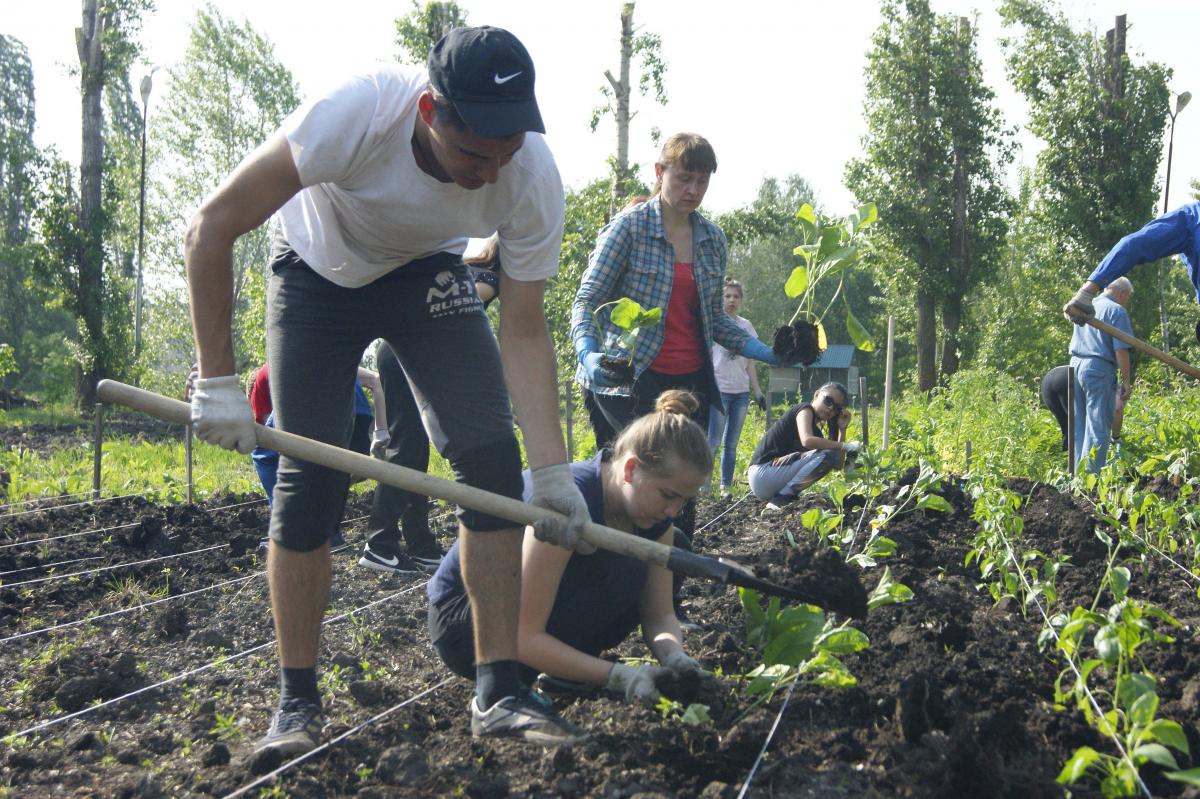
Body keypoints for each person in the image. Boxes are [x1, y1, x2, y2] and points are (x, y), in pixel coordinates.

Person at [185, 26, 590, 755]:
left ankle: (498, 688)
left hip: (423, 272)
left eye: (507, 151)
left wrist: (553, 470)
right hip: (316, 272)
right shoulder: (358, 112)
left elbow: (525, 331)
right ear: (430, 111)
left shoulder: (529, 175)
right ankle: (297, 702)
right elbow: (211, 228)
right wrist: (216, 380)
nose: (491, 171)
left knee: (493, 463)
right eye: (474, 153)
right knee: (312, 477)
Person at [427, 390, 711, 705]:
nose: (674, 511)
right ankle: (542, 677)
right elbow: (521, 635)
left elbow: (659, 616)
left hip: (521, 626)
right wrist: (618, 676)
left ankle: (566, 672)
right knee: (627, 568)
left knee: (671, 551)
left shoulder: (654, 520)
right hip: (470, 625)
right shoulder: (568, 506)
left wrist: (675, 656)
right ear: (630, 470)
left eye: (683, 501)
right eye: (668, 495)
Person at [570, 132, 783, 544]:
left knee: (681, 491)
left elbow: (716, 322)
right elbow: (587, 299)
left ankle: (669, 591)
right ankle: (614, 574)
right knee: (631, 483)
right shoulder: (628, 229)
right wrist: (588, 353)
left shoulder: (711, 240)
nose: (693, 190)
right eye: (684, 178)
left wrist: (766, 352)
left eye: (702, 181)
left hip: (691, 385)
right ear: (660, 172)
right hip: (629, 378)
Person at [360, 238, 503, 576]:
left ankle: (420, 543)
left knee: (414, 447)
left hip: (400, 348)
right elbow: (455, 314)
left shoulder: (465, 267)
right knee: (407, 446)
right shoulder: (490, 280)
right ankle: (380, 543)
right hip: (412, 353)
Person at [1063, 201, 1200, 322]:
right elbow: (1133, 246)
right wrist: (1086, 293)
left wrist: (1087, 292)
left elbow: (1133, 245)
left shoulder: (1193, 217)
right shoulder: (1193, 218)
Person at [748, 382, 858, 509]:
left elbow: (838, 464)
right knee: (828, 453)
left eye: (837, 408)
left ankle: (782, 497)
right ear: (817, 395)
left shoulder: (817, 434)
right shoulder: (805, 409)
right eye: (828, 401)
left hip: (771, 479)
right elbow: (807, 440)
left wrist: (842, 430)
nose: (830, 409)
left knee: (829, 455)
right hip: (763, 472)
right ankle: (783, 498)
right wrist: (843, 445)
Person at [706, 279, 765, 498]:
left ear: (741, 300)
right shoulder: (714, 324)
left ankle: (725, 486)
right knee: (712, 442)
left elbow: (751, 361)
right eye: (727, 296)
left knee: (731, 444)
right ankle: (703, 486)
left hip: (741, 392)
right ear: (721, 299)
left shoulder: (746, 326)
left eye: (736, 296)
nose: (731, 300)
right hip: (720, 390)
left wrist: (757, 390)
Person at [1068, 279, 1134, 474]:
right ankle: (1091, 480)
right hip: (1098, 368)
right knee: (1098, 426)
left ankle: (1076, 477)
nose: (1125, 301)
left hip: (1075, 365)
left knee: (1079, 426)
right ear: (1122, 294)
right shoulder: (1116, 311)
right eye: (1127, 298)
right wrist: (1126, 381)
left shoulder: (1087, 305)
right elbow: (1121, 350)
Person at [1041, 364, 1129, 453]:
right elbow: (1118, 408)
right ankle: (1083, 464)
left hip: (1049, 379)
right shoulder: (1113, 385)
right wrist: (1115, 437)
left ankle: (1066, 461)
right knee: (1083, 433)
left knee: (1068, 431)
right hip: (1071, 377)